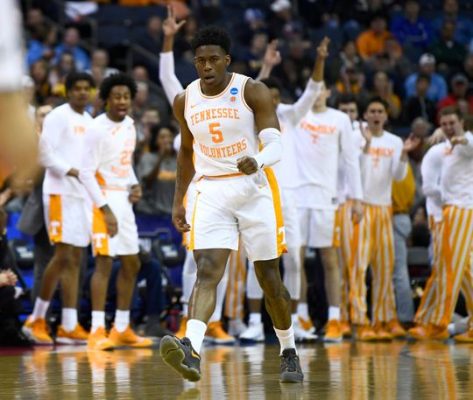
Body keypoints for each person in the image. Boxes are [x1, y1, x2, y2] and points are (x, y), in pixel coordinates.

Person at [159, 26, 303, 383]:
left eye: (212, 60)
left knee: (269, 278)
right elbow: (185, 151)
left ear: (226, 60)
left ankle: (288, 350)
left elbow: (275, 142)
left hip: (254, 189)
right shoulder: (185, 99)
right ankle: (191, 348)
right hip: (210, 191)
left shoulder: (251, 90)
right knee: (207, 270)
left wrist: (260, 159)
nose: (206, 66)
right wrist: (179, 200)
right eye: (200, 60)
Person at [240, 38, 328, 343]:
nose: (273, 100)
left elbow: (312, 92)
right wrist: (266, 66)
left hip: (289, 197)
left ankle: (296, 320)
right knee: (258, 259)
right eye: (269, 95)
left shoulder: (289, 115)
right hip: (258, 193)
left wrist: (319, 60)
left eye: (277, 96)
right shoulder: (248, 118)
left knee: (293, 261)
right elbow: (256, 87)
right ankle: (253, 322)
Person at [158, 7, 235, 344]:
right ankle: (190, 325)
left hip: (226, 187)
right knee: (197, 261)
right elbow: (165, 78)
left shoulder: (228, 96)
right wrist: (168, 38)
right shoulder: (186, 98)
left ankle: (212, 322)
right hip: (195, 189)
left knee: (219, 263)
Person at [80, 73, 153, 351]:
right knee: (104, 263)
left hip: (123, 198)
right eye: (116, 96)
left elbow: (125, 163)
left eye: (126, 96)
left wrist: (133, 183)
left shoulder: (131, 126)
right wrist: (105, 209)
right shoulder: (97, 128)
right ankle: (97, 329)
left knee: (132, 263)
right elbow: (86, 173)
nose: (122, 101)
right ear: (107, 99)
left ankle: (121, 328)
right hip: (102, 198)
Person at [22, 72, 95, 344]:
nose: (82, 93)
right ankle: (36, 319)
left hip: (81, 195)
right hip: (58, 192)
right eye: (77, 88)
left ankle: (69, 324)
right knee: (62, 256)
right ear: (68, 92)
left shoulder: (89, 121)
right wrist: (72, 170)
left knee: (76, 259)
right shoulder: (57, 117)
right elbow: (44, 154)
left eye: (86, 88)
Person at [349, 97, 420, 341]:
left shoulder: (395, 141)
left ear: (386, 116)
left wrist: (404, 155)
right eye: (372, 110)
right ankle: (360, 321)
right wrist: (367, 146)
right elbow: (354, 173)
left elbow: (399, 177)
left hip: (384, 208)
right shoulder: (356, 137)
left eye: (380, 110)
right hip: (361, 207)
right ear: (366, 115)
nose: (376, 114)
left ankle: (383, 319)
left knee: (384, 267)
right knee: (359, 267)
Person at [409, 107, 473, 342]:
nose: (448, 127)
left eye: (451, 122)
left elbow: (469, 146)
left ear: (462, 122)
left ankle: (437, 323)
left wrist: (462, 138)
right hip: (447, 212)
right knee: (461, 268)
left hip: (461, 210)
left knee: (449, 269)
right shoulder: (441, 149)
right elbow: (428, 187)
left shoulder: (467, 143)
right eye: (443, 123)